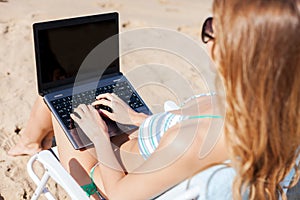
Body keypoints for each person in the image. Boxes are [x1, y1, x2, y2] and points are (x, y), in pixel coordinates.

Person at [9, 0, 300, 199]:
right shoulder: (268, 113)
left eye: (213, 28)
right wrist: (138, 120)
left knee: (57, 96)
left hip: (105, 175)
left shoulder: (197, 140)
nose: (206, 37)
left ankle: (30, 143)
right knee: (73, 94)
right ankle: (34, 141)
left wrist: (99, 137)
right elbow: (183, 137)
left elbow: (121, 194)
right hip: (138, 143)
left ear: (234, 51)